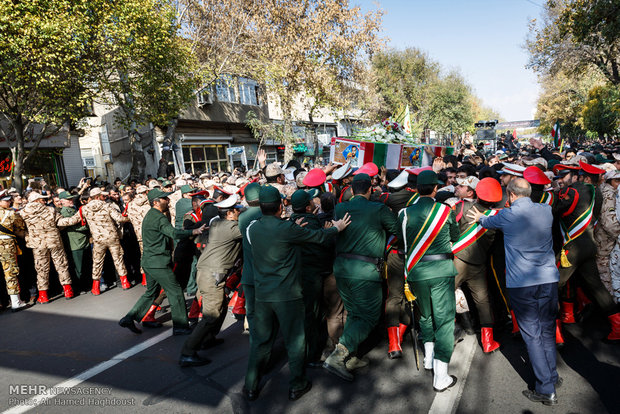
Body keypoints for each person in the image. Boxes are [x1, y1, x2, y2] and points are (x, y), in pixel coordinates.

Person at [243, 185, 350, 401]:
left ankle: (250, 386)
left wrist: (293, 226)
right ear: (281, 205)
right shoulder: (286, 228)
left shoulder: (254, 228)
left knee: (261, 342)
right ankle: (297, 384)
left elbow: (282, 236)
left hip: (263, 296)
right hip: (287, 296)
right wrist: (336, 228)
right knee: (295, 341)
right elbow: (318, 237)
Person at [471, 178, 560, 406]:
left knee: (532, 335)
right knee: (548, 330)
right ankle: (552, 376)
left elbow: (486, 221)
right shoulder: (545, 210)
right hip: (548, 279)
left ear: (510, 195)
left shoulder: (507, 216)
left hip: (522, 283)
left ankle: (545, 388)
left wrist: (480, 217)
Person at [324, 173, 401, 381]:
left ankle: (351, 355)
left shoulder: (340, 207)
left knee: (355, 313)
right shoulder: (378, 209)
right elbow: (397, 231)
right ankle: (339, 356)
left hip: (341, 268)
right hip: (365, 272)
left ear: (351, 190)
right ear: (370, 190)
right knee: (368, 316)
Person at [398, 170, 459, 392]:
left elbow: (402, 243)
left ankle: (428, 357)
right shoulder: (445, 210)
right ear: (435, 189)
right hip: (441, 270)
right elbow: (456, 236)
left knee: (424, 315)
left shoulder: (404, 214)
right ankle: (440, 375)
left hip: (416, 271)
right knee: (444, 321)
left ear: (416, 189)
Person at [118, 188, 206, 335]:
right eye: (164, 199)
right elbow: (173, 232)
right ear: (156, 202)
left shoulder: (152, 215)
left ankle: (129, 318)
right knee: (176, 291)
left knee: (151, 292)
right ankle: (180, 326)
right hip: (158, 263)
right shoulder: (158, 217)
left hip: (150, 262)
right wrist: (194, 231)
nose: (168, 200)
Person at [179, 194, 243, 367]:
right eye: (236, 210)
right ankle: (188, 352)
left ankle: (208, 338)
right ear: (229, 214)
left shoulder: (216, 223)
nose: (238, 212)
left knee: (220, 306)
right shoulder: (231, 228)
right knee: (211, 314)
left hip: (207, 271)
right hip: (212, 274)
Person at [18, 192, 80, 302]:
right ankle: (68, 290)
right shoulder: (50, 210)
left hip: (37, 244)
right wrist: (77, 216)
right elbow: (61, 223)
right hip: (54, 240)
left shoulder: (22, 213)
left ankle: (43, 295)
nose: (43, 201)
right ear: (37, 200)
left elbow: (18, 229)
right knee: (61, 264)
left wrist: (28, 236)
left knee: (41, 268)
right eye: (41, 199)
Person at [80, 188, 131, 294]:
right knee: (118, 260)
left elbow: (74, 220)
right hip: (112, 237)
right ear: (98, 196)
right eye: (103, 196)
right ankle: (125, 282)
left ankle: (96, 288)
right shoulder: (107, 206)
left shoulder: (84, 209)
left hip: (98, 239)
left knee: (97, 262)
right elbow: (120, 218)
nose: (105, 198)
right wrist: (129, 216)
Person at [0, 189, 28, 311]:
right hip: (7, 244)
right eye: (6, 200)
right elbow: (20, 227)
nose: (9, 202)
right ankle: (15, 301)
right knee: (10, 272)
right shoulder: (11, 214)